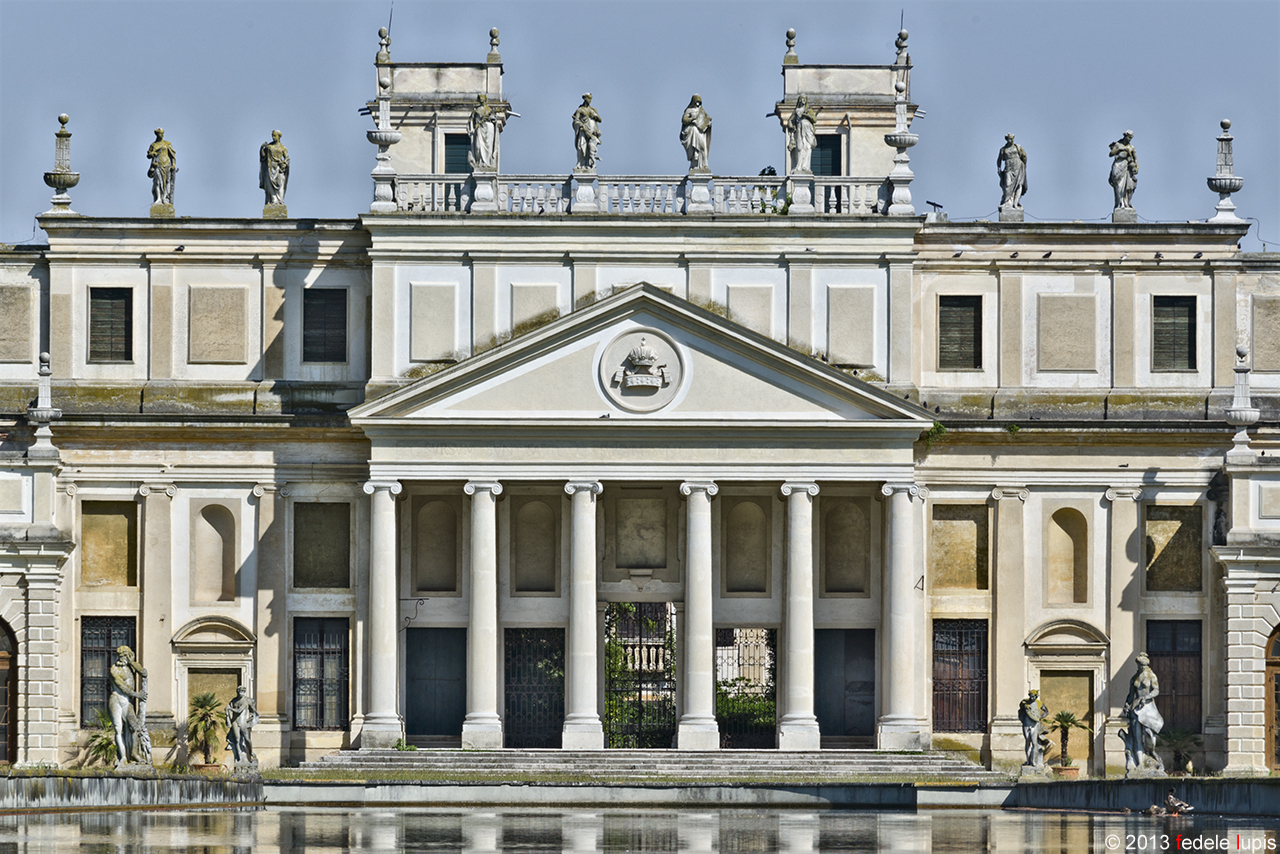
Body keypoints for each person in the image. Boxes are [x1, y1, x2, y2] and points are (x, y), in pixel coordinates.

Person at [1121, 651, 1165, 773]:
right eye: (1139, 665)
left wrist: (1146, 698)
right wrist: (1126, 704)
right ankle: (1140, 764)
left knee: (1149, 733)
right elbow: (1131, 695)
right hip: (1135, 708)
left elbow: (1156, 691)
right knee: (1137, 737)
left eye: (1143, 666)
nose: (1141, 668)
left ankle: (1151, 752)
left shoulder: (1151, 676)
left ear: (1146, 665)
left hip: (1148, 708)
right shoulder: (1134, 678)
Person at [109, 645, 148, 767]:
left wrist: (132, 662)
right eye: (121, 656)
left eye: (126, 656)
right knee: (118, 729)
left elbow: (144, 673)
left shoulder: (131, 667)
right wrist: (137, 695)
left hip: (127, 702)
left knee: (134, 727)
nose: (123, 658)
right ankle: (123, 757)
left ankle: (135, 754)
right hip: (116, 699)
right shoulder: (114, 669)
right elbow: (122, 686)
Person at [468, 94, 508, 171]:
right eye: (479, 98)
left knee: (488, 146)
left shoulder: (489, 110)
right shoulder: (476, 111)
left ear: (485, 99)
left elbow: (494, 120)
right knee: (477, 147)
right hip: (479, 129)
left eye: (482, 98)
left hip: (489, 128)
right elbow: (471, 122)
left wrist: (490, 117)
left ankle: (487, 163)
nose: (481, 99)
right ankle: (480, 162)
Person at [224, 686, 259, 765]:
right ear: (238, 692)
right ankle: (239, 757)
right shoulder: (234, 700)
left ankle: (250, 752)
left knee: (247, 739)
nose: (241, 693)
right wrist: (228, 715)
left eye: (243, 691)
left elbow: (239, 710)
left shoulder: (245, 700)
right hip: (234, 722)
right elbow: (228, 710)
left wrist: (230, 709)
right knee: (237, 739)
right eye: (240, 691)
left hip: (243, 722)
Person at [1018, 688, 1050, 767]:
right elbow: (1020, 711)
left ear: (1036, 696)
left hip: (1034, 724)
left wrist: (1040, 717)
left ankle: (1034, 762)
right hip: (1026, 724)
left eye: (1033, 696)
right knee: (1027, 742)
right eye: (1031, 696)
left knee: (1034, 743)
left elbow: (1046, 711)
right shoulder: (1025, 703)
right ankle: (1028, 760)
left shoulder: (1039, 703)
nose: (1032, 698)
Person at [786, 95, 818, 174]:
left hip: (807, 130)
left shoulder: (808, 110)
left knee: (807, 147)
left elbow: (814, 119)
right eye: (801, 99)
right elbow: (790, 120)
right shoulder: (797, 110)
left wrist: (806, 115)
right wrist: (790, 125)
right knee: (799, 147)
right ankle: (798, 165)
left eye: (804, 99)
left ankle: (805, 166)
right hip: (799, 129)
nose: (803, 100)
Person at [680, 95, 712, 172]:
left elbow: (707, 119)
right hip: (693, 131)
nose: (697, 104)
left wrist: (708, 123)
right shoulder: (689, 110)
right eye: (696, 102)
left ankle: (704, 165)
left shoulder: (702, 111)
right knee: (695, 149)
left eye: (699, 102)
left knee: (703, 147)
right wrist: (692, 120)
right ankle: (695, 165)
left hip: (700, 132)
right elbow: (684, 119)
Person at [1109, 130, 1139, 210]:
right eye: (1129, 137)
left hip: (1127, 167)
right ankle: (1119, 203)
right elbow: (1111, 154)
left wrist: (1136, 168)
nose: (1129, 139)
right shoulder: (1118, 144)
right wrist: (1118, 150)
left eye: (1131, 138)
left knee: (1127, 186)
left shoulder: (1131, 148)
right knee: (1118, 185)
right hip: (1118, 165)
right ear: (1125, 136)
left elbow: (1135, 159)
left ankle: (1126, 203)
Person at [146, 128, 177, 205]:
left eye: (162, 133)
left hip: (167, 165)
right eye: (160, 133)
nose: (162, 135)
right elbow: (148, 155)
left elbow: (172, 155)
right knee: (158, 181)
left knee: (167, 182)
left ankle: (165, 198)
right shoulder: (153, 145)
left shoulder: (167, 144)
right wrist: (152, 153)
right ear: (157, 134)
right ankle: (159, 198)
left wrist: (173, 164)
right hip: (157, 165)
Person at [572, 94, 602, 172]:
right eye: (588, 99)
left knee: (591, 148)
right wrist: (579, 124)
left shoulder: (593, 109)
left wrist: (595, 116)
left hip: (592, 132)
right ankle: (581, 164)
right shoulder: (580, 110)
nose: (589, 101)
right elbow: (576, 120)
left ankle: (589, 164)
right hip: (583, 130)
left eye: (590, 99)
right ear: (585, 99)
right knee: (581, 147)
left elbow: (600, 120)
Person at [259, 130, 290, 206]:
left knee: (280, 186)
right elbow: (263, 157)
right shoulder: (269, 147)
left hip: (279, 169)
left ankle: (280, 201)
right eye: (272, 135)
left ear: (279, 137)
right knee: (270, 185)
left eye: (275, 136)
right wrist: (261, 148)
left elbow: (287, 158)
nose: (273, 137)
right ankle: (273, 201)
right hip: (270, 169)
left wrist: (284, 164)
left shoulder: (283, 148)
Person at [997, 133, 1027, 210]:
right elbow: (999, 160)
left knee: (1019, 185)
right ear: (1007, 139)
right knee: (1007, 185)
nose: (1011, 140)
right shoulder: (1003, 149)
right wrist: (999, 168)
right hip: (1009, 168)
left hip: (1018, 167)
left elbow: (1024, 157)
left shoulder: (1018, 147)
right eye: (1009, 139)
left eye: (1012, 139)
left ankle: (1015, 204)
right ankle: (1006, 203)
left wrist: (1023, 166)